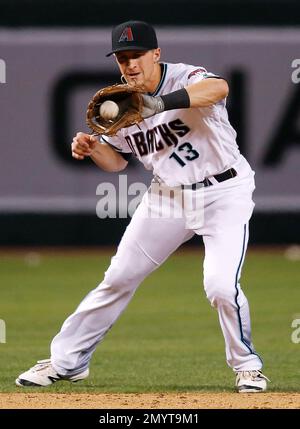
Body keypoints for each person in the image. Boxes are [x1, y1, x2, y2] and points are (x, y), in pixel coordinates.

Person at [16, 20, 269, 393]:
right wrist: (92, 148)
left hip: (223, 192)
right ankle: (67, 361)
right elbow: (117, 163)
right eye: (122, 58)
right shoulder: (119, 103)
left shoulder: (185, 76)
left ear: (156, 54)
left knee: (218, 284)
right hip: (167, 197)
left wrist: (160, 104)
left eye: (136, 56)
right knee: (118, 277)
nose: (130, 64)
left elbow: (219, 88)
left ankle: (247, 366)